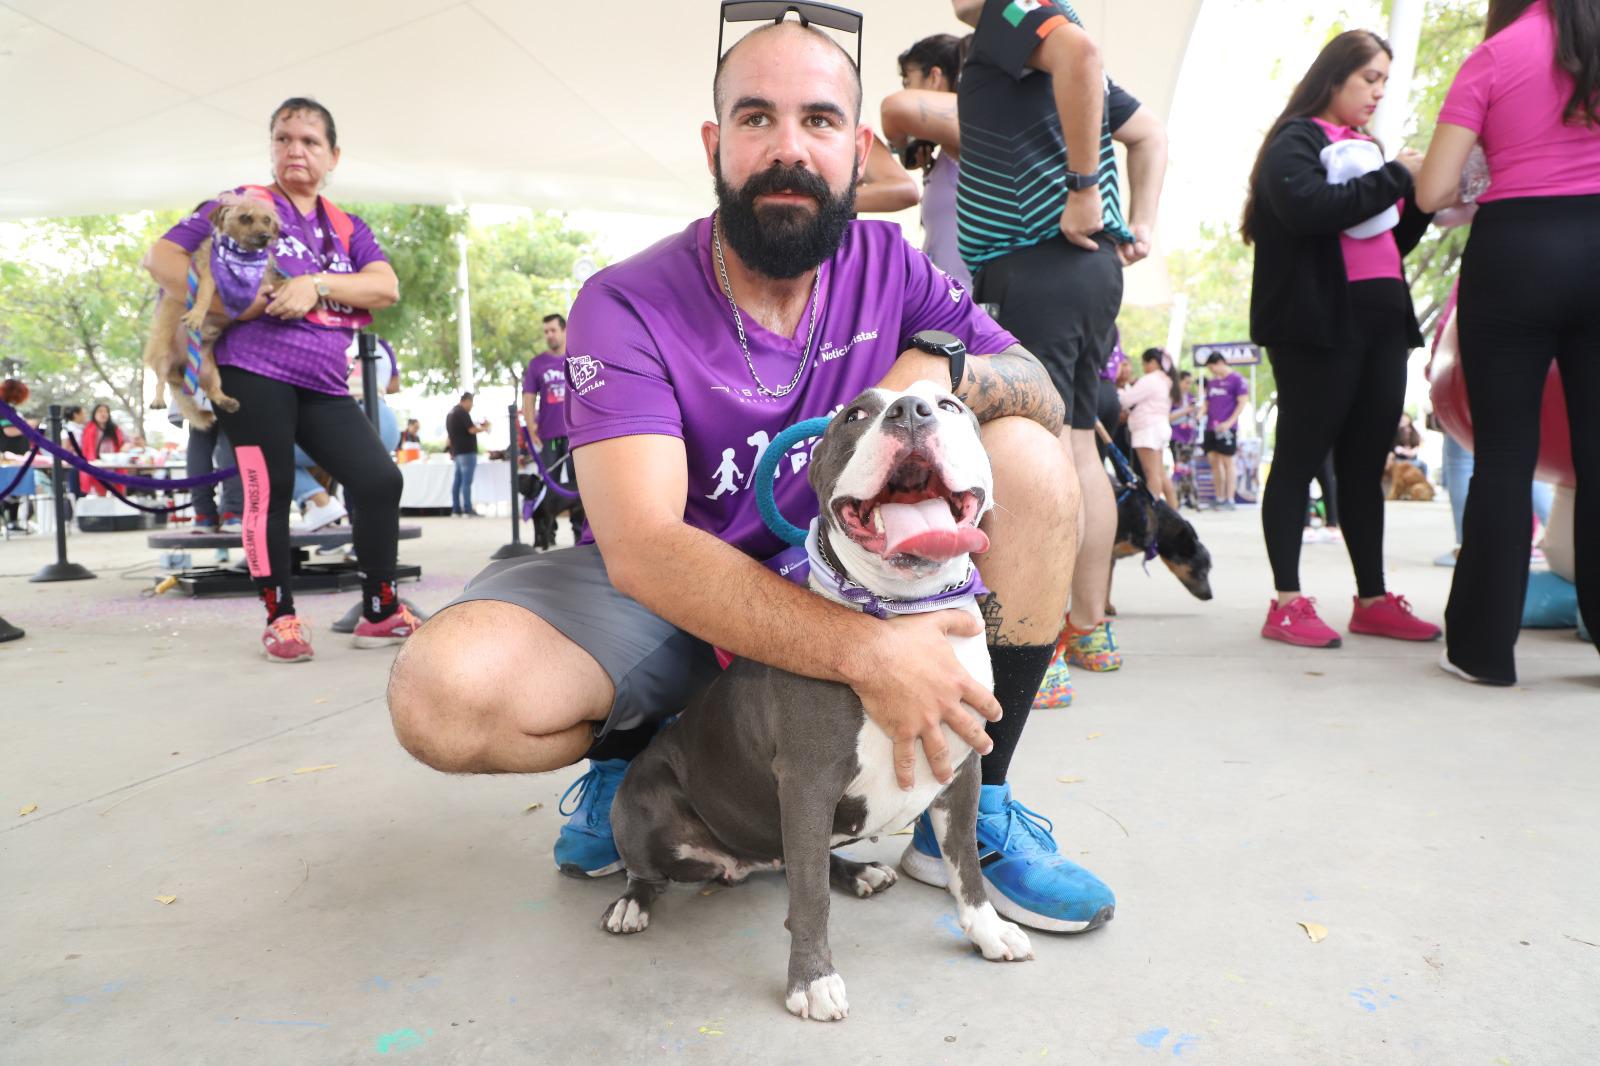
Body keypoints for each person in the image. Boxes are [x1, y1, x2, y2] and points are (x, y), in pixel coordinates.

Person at [388, 16, 1118, 933]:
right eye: (756, 117)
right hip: (672, 600)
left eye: (819, 120)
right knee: (445, 696)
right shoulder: (625, 302)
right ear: (714, 144)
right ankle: (649, 754)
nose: (788, 148)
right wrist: (869, 654)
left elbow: (1039, 385)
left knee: (1036, 460)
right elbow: (647, 549)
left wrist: (942, 372)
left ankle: (975, 810)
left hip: (844, 571)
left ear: (858, 150)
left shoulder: (891, 268)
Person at [143, 96, 414, 664]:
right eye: (284, 138)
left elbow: (384, 285)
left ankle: (380, 608)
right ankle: (280, 618)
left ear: (333, 155)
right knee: (269, 493)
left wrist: (317, 283)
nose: (296, 150)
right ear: (271, 148)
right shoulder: (240, 203)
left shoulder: (346, 225)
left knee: (379, 480)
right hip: (253, 372)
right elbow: (161, 258)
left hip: (324, 382)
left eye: (310, 141)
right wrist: (233, 308)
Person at [952, 0, 1169, 680]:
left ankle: (1034, 649)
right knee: (1075, 447)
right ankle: (1086, 630)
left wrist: (1083, 189)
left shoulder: (1010, 11)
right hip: (1087, 268)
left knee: (1034, 455)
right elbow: (1148, 132)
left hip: (1038, 262)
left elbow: (1082, 52)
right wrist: (1139, 223)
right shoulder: (1035, 45)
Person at [1416, 0, 1600, 684]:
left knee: (1502, 457)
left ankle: (1482, 653)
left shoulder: (1495, 55)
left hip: (1516, 252)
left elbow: (1434, 191)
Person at [1242, 29, 1442, 649]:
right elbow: (1309, 208)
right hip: (1318, 328)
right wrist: (1395, 176)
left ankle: (1373, 599)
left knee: (1364, 462)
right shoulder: (1296, 140)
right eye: (1369, 78)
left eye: (1384, 81)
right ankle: (1286, 602)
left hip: (1382, 324)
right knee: (1300, 457)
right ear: (1334, 77)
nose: (1378, 92)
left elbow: (1387, 239)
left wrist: (1419, 199)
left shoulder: (1367, 147)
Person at [880, 32, 971, 287]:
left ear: (934, 78)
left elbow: (895, 108)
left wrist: (903, 146)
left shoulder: (969, 131)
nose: (906, 90)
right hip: (944, 299)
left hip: (971, 300)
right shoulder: (944, 153)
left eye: (908, 82)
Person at [522, 313, 583, 538]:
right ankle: (548, 534)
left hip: (577, 434)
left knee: (579, 486)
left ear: (564, 330)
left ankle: (581, 534)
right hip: (548, 436)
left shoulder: (577, 357)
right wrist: (531, 426)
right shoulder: (537, 364)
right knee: (547, 486)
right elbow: (528, 397)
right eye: (546, 331)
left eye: (553, 330)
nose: (549, 335)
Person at [1120, 348, 1179, 509]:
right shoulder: (1166, 380)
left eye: (1145, 363)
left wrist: (1120, 391)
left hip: (1147, 429)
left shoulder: (1151, 379)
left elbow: (1126, 400)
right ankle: (1174, 512)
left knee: (1151, 474)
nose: (1144, 367)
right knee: (1160, 474)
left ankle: (1154, 514)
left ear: (1153, 362)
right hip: (1159, 427)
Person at [1199, 353, 1247, 510]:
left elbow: (1242, 403)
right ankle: (1219, 497)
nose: (1211, 370)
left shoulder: (1237, 379)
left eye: (1212, 367)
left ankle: (1230, 499)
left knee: (1227, 462)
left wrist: (1229, 422)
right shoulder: (1212, 383)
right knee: (1214, 462)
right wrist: (1200, 413)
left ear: (1220, 362)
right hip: (1210, 428)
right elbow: (1207, 403)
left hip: (1227, 429)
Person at [445, 392, 488, 517]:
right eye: (471, 403)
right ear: (467, 401)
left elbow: (450, 436)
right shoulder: (462, 412)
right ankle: (467, 509)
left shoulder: (450, 413)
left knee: (458, 481)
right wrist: (484, 428)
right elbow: (471, 429)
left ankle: (456, 509)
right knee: (466, 481)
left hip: (457, 452)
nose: (471, 406)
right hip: (467, 452)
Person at [79, 403, 125, 497]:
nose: (103, 414)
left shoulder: (115, 429)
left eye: (105, 411)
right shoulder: (88, 429)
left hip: (113, 466)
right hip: (96, 465)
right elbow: (84, 449)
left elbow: (124, 442)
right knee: (100, 495)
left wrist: (125, 448)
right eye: (100, 411)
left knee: (117, 495)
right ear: (94, 414)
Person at [1393, 411, 1428, 476]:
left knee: (1424, 466)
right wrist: (1408, 451)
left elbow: (1415, 450)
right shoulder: (1396, 435)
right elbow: (1397, 450)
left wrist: (1407, 451)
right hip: (1399, 460)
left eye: (1408, 426)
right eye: (1403, 422)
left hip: (1413, 461)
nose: (1407, 430)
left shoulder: (1415, 434)